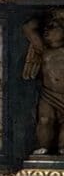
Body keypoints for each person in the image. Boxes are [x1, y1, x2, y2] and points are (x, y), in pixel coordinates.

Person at [23, 9, 64, 155]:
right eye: (46, 27)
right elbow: (28, 28)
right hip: (48, 94)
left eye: (53, 27)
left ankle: (62, 148)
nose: (47, 30)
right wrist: (46, 15)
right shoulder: (44, 50)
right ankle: (44, 146)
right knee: (45, 120)